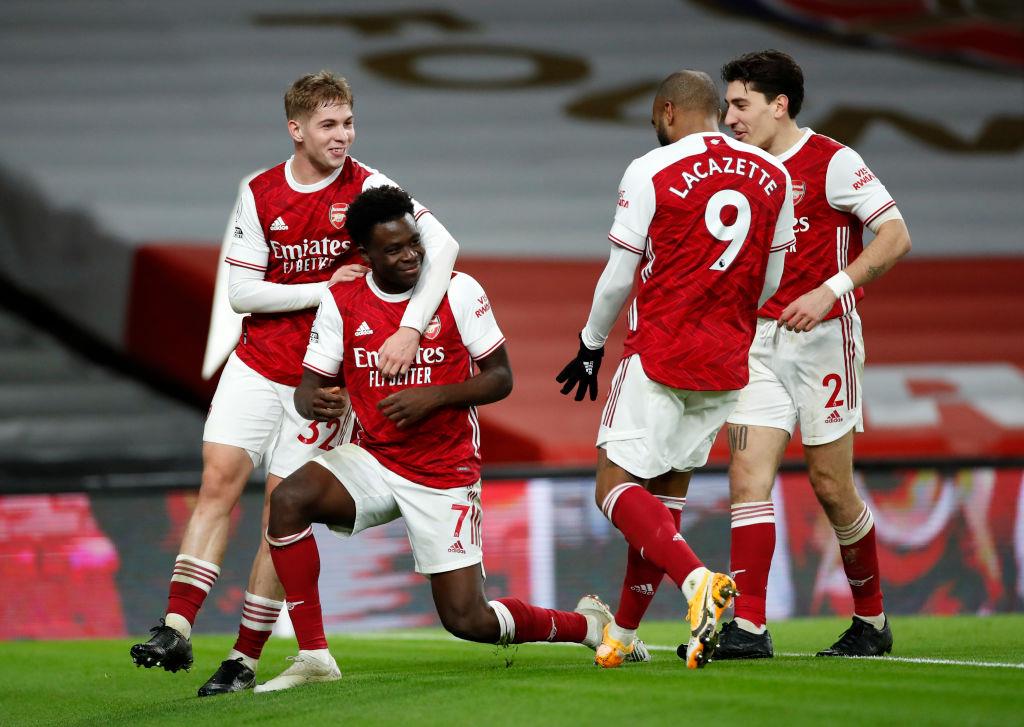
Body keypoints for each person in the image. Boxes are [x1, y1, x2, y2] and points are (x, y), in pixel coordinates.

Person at [130, 71, 460, 696]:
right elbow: (241, 292)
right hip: (257, 363)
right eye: (329, 125)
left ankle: (243, 659)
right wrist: (324, 288)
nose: (343, 136)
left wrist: (410, 327)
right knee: (217, 480)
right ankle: (175, 626)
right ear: (296, 129)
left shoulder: (370, 186)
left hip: (324, 382)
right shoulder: (261, 192)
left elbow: (444, 246)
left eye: (349, 123)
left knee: (279, 515)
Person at [255, 186, 614, 692]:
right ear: (365, 254)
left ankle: (586, 625)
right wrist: (317, 402)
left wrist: (434, 397)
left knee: (468, 620)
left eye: (414, 243)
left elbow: (501, 378)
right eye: (393, 249)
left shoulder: (459, 290)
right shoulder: (342, 299)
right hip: (374, 458)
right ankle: (314, 654)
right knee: (289, 500)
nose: (410, 256)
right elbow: (307, 388)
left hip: (444, 471)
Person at [556, 70, 795, 669]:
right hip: (727, 360)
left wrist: (590, 344)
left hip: (662, 350)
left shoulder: (651, 169)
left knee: (614, 488)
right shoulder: (775, 173)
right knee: (663, 505)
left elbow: (620, 274)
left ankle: (696, 581)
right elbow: (771, 279)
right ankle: (623, 634)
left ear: (667, 112)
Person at [714, 50, 912, 660]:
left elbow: (896, 235)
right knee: (747, 478)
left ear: (779, 105)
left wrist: (832, 289)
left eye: (741, 104)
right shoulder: (734, 167)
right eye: (727, 105)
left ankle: (871, 621)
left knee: (831, 485)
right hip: (756, 343)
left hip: (824, 342)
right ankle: (749, 627)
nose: (729, 117)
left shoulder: (832, 161)